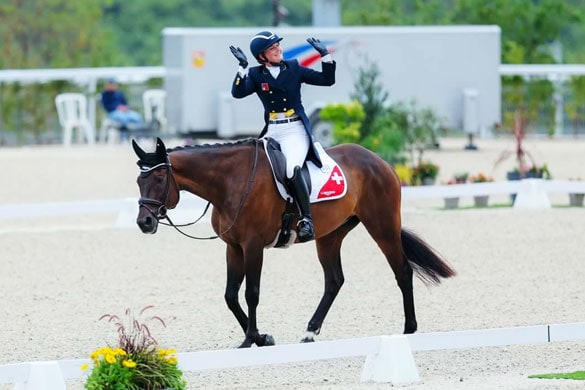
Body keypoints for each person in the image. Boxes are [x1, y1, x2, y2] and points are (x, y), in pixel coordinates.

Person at [230, 31, 336, 242]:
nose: (278, 49)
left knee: (290, 169)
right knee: (255, 168)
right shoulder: (256, 74)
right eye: (273, 47)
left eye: (278, 45)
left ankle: (306, 219)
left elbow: (327, 80)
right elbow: (238, 93)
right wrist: (241, 68)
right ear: (262, 56)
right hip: (273, 129)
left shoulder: (294, 68)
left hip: (294, 129)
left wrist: (326, 56)